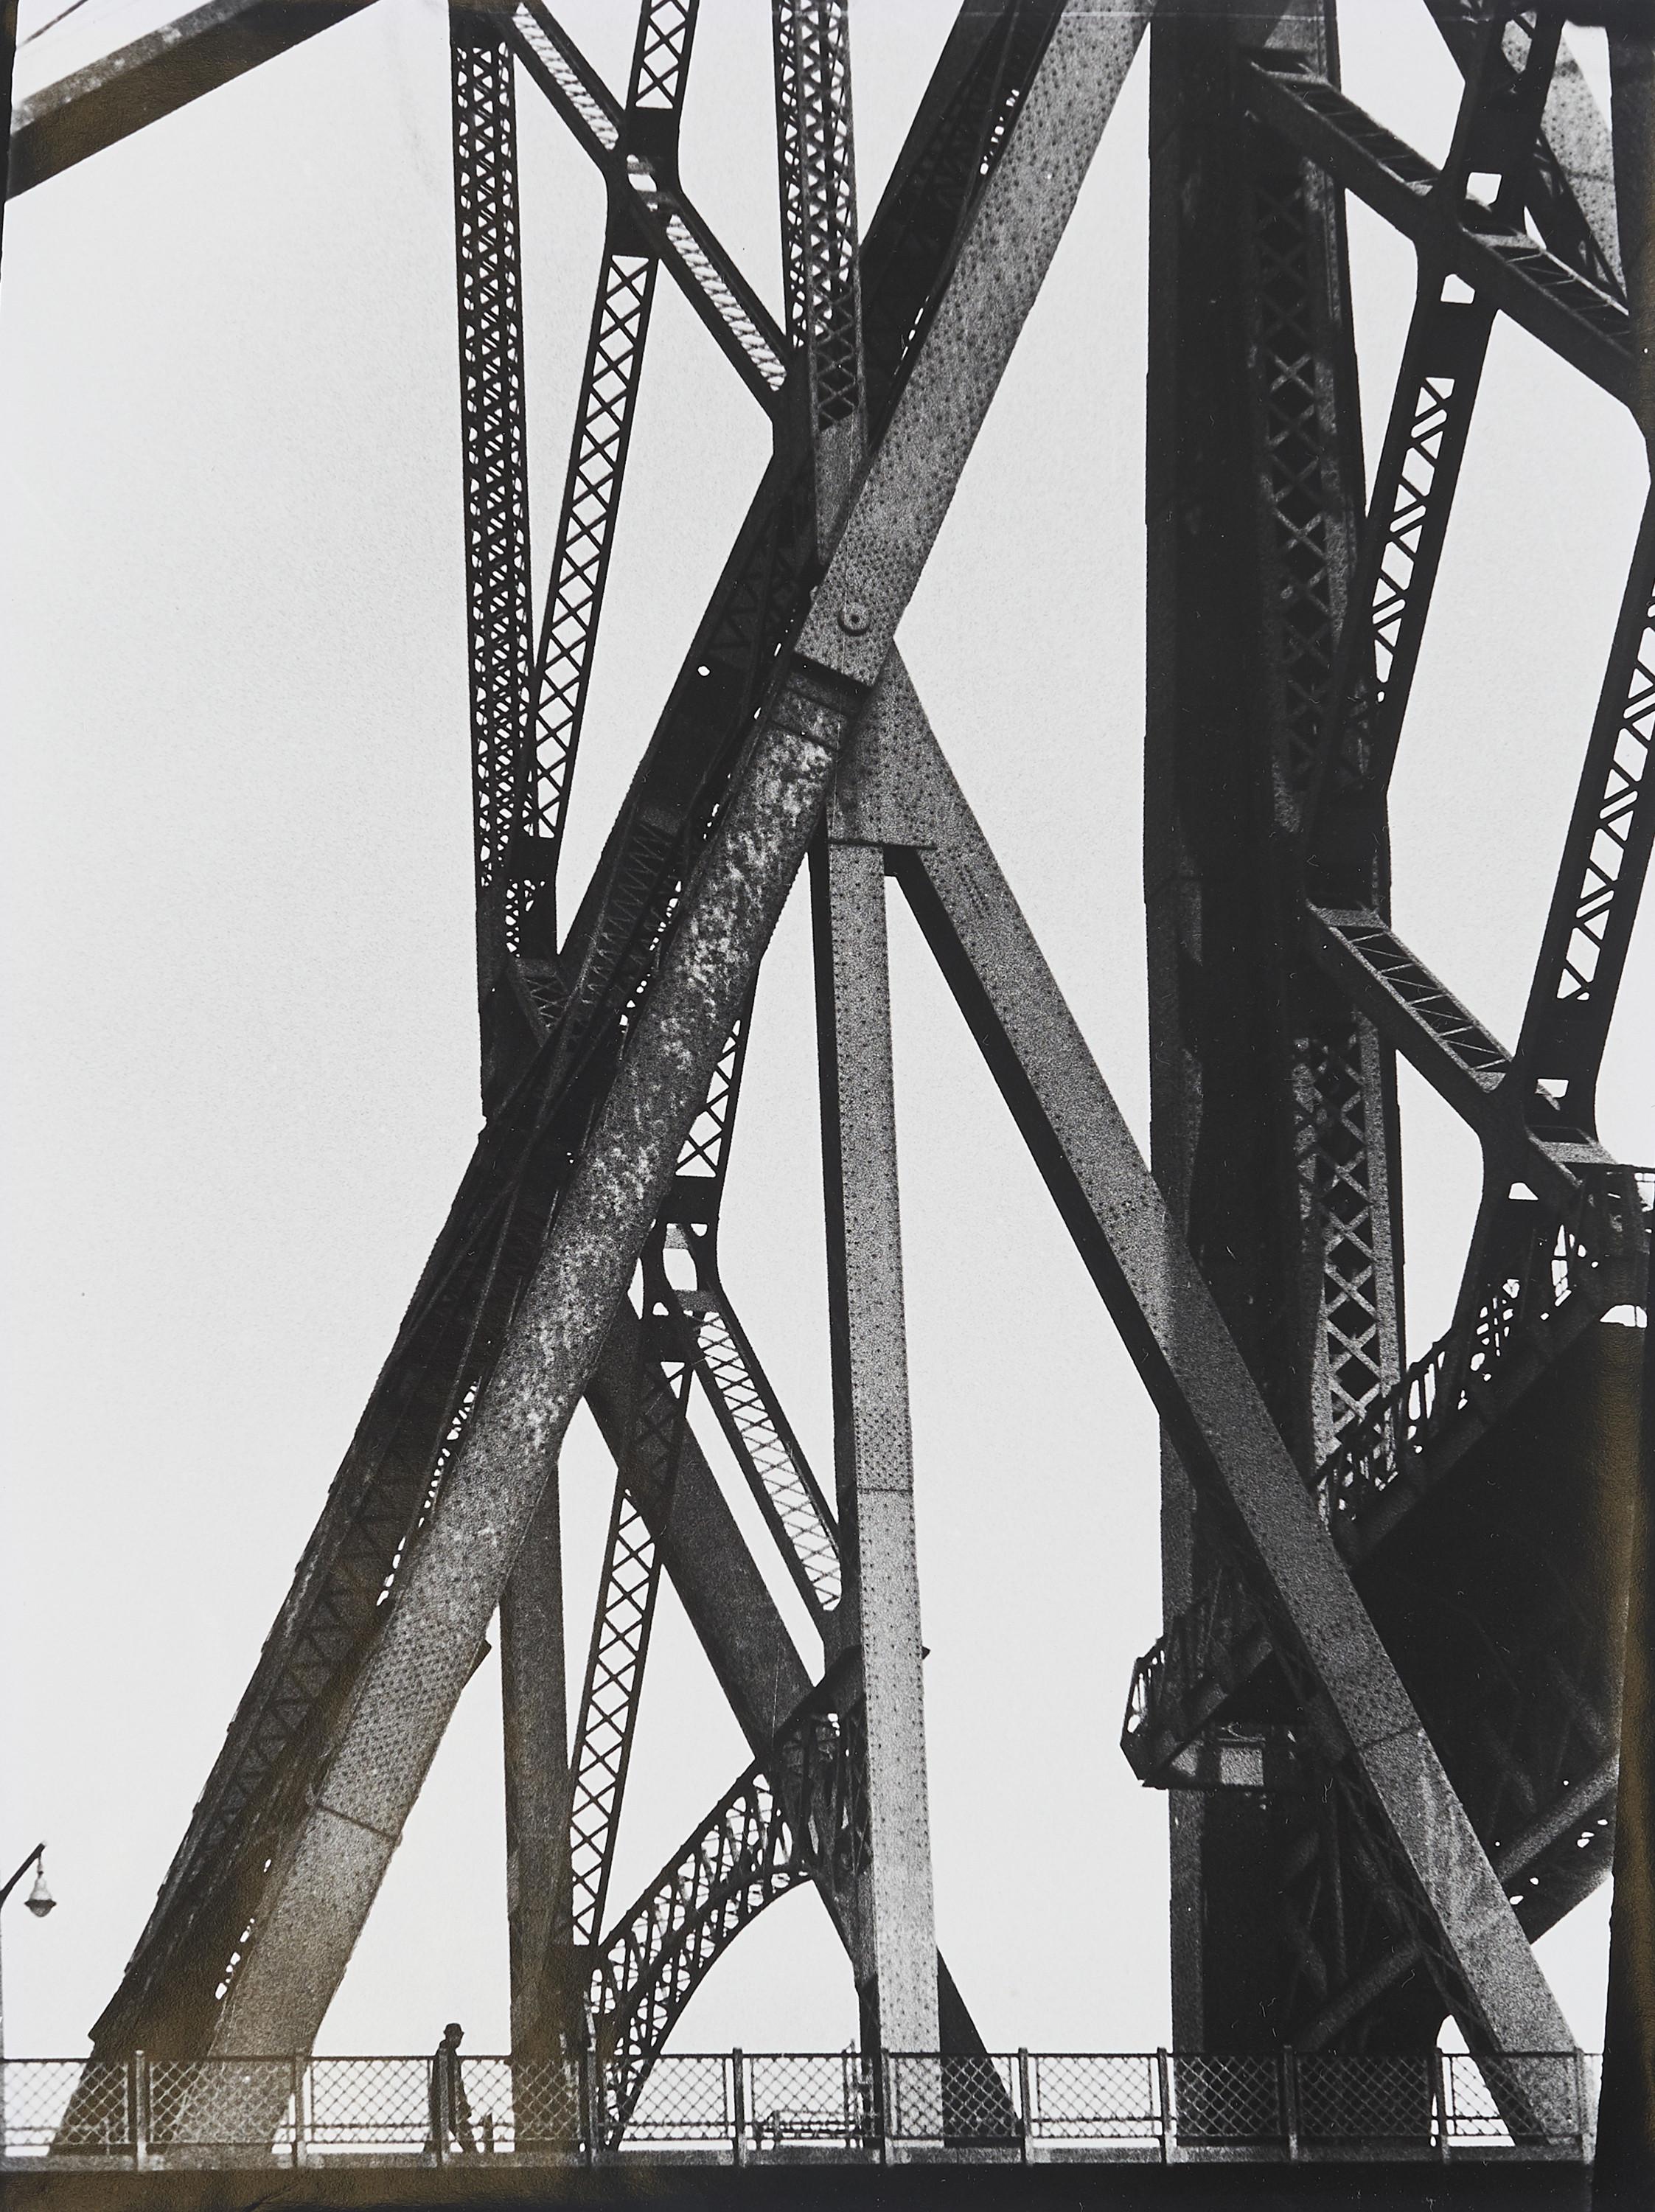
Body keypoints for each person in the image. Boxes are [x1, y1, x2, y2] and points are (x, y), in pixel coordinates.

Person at [427, 2022, 478, 2158]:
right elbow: (451, 2081)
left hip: (448, 2103)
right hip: (449, 2103)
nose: (458, 2040)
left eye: (459, 2037)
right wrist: (460, 2101)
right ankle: (473, 2157)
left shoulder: (448, 2052)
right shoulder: (446, 2052)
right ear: (450, 2036)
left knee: (437, 2138)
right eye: (456, 2037)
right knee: (463, 2137)